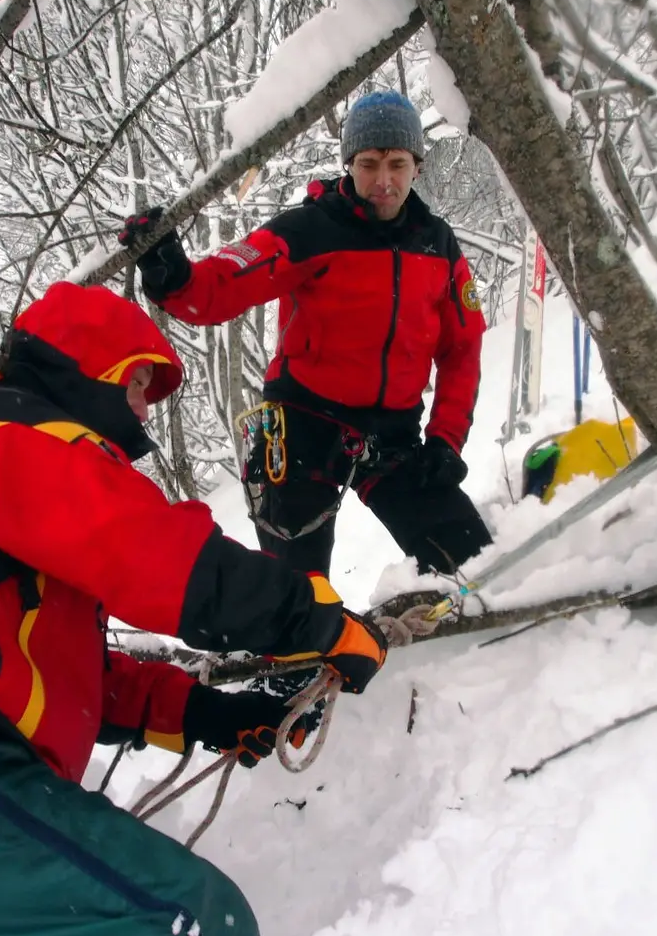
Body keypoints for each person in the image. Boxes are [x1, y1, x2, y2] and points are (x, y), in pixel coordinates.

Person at [0, 281, 388, 936]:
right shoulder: (7, 440)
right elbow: (164, 561)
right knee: (195, 930)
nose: (146, 410)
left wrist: (208, 713)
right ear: (94, 367)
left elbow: (74, 674)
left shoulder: (0, 484)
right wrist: (318, 623)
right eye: (140, 384)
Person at [123, 91, 493, 581]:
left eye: (397, 164)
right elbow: (217, 292)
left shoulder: (437, 244)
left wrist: (446, 440)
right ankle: (302, 649)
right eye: (369, 163)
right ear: (348, 165)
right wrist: (172, 274)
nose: (383, 180)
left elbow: (462, 348)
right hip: (304, 426)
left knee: (473, 562)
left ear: (417, 167)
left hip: (393, 433)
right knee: (294, 591)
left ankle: (458, 638)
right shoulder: (310, 229)